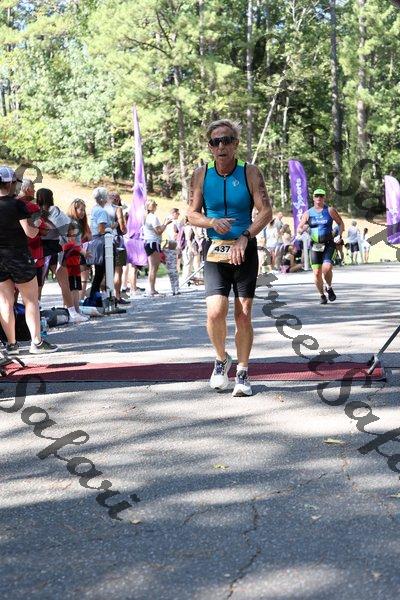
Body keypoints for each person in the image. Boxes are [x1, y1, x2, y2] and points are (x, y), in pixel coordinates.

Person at [187, 118, 272, 397]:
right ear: (210, 147)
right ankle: (222, 359)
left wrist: (245, 236)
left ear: (235, 144)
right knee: (215, 312)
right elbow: (191, 214)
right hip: (215, 249)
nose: (221, 146)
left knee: (243, 314)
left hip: (244, 249)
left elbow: (266, 211)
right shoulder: (201, 174)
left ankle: (243, 372)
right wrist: (211, 222)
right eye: (215, 142)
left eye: (226, 140)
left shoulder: (250, 172)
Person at [0, 166, 58, 354]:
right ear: (10, 184)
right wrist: (38, 223)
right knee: (30, 300)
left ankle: (11, 344)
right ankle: (37, 342)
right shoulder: (17, 205)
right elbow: (30, 233)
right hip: (19, 257)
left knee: (5, 302)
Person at [36, 188, 88, 322]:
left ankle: (36, 314)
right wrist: (70, 241)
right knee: (64, 282)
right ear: (51, 198)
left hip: (39, 250)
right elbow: (68, 227)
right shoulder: (54, 210)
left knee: (39, 283)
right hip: (54, 249)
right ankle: (72, 313)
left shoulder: (34, 211)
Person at [297, 188, 344, 304]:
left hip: (329, 244)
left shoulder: (330, 210)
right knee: (317, 273)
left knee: (326, 268)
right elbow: (300, 227)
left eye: (321, 196)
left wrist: (339, 234)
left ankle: (329, 287)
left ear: (324, 198)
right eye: (317, 196)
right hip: (315, 246)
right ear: (313, 198)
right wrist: (302, 230)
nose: (319, 198)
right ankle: (322, 295)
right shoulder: (308, 213)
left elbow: (340, 223)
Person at [143, 200, 172, 296]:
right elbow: (158, 231)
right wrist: (166, 223)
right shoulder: (153, 217)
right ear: (153, 207)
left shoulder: (145, 216)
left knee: (153, 267)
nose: (156, 206)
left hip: (149, 242)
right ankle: (151, 289)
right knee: (153, 267)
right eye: (155, 205)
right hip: (153, 243)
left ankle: (152, 288)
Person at [67, 199, 92, 300]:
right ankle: (77, 302)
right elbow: (71, 241)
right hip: (75, 253)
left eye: (84, 210)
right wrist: (82, 250)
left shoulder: (82, 222)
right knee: (78, 281)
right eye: (81, 210)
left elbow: (89, 236)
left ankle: (78, 301)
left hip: (81, 252)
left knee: (81, 280)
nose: (83, 212)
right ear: (74, 209)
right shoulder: (72, 222)